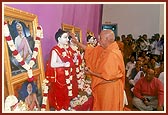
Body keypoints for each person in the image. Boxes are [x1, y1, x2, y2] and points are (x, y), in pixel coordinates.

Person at [70, 29, 125, 111]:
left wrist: (91, 73)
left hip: (109, 89)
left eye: (100, 38)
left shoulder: (112, 54)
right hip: (102, 87)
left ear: (107, 39)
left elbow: (107, 76)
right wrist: (77, 43)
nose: (98, 40)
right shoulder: (104, 48)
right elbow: (90, 50)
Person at [45, 29, 78, 111]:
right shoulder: (55, 50)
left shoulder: (66, 49)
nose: (67, 39)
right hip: (59, 77)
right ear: (59, 39)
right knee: (59, 93)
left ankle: (66, 106)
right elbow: (53, 64)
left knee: (66, 92)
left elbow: (69, 61)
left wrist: (74, 60)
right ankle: (59, 108)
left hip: (67, 75)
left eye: (67, 37)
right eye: (65, 37)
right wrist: (63, 64)